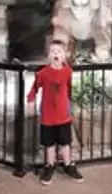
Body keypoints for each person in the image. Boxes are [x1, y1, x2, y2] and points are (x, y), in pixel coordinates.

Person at [27, 39, 83, 185]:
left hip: (63, 116)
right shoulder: (43, 73)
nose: (56, 54)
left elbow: (69, 90)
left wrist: (69, 106)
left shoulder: (67, 72)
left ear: (64, 54)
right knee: (49, 144)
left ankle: (68, 165)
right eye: (52, 51)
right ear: (48, 55)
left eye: (59, 51)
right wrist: (31, 101)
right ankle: (49, 166)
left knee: (65, 143)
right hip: (48, 116)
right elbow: (34, 89)